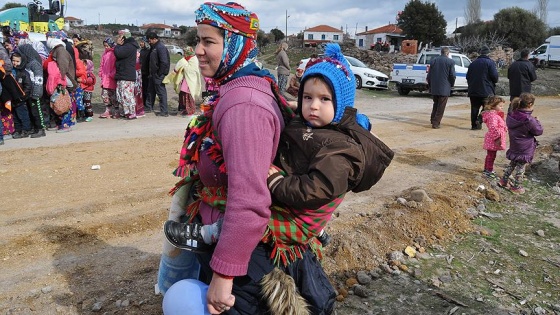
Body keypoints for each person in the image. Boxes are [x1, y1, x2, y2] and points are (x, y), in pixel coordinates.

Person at [160, 3, 338, 314]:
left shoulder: (245, 106)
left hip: (246, 262)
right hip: (238, 248)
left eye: (209, 41)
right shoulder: (241, 86)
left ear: (235, 44)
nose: (198, 50)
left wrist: (224, 274)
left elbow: (249, 199)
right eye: (198, 40)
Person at [164, 43, 394, 256]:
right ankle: (318, 229)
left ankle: (209, 234)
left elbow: (315, 191)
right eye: (307, 97)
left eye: (324, 99)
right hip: (294, 196)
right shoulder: (312, 123)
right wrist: (293, 106)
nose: (313, 106)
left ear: (342, 104)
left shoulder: (340, 148)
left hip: (299, 210)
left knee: (249, 217)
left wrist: (277, 184)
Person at [498, 93, 543, 194]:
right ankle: (516, 187)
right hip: (525, 147)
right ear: (530, 104)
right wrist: (538, 122)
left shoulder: (511, 114)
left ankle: (503, 181)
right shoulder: (529, 119)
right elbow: (538, 131)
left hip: (515, 144)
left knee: (513, 163)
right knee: (521, 167)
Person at [16, 43, 46, 137]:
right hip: (29, 92)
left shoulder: (34, 64)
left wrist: (37, 92)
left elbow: (39, 78)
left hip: (35, 92)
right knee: (32, 111)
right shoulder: (27, 64)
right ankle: (35, 128)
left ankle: (41, 129)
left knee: (37, 112)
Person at [466, 45, 499, 130]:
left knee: (474, 107)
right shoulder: (490, 63)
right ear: (488, 54)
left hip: (473, 90)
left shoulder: (473, 63)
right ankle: (479, 119)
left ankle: (474, 125)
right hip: (486, 90)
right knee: (487, 107)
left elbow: (468, 76)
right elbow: (495, 77)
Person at [426, 47, 456, 129]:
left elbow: (429, 76)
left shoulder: (434, 61)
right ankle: (436, 122)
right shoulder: (451, 62)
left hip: (435, 86)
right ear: (447, 53)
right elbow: (452, 75)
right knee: (441, 106)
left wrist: (430, 85)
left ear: (441, 52)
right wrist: (451, 84)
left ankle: (433, 119)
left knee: (435, 104)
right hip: (445, 87)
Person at [114, 29, 140, 120]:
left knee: (127, 94)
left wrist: (117, 45)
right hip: (123, 73)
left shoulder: (129, 46)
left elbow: (119, 53)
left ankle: (132, 112)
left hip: (127, 74)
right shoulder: (127, 46)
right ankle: (127, 112)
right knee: (121, 94)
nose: (118, 38)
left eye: (120, 36)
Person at [481, 96, 508, 179]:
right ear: (493, 106)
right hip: (493, 138)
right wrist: (497, 137)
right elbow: (493, 127)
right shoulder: (493, 116)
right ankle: (489, 170)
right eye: (500, 106)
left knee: (490, 155)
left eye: (502, 106)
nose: (502, 108)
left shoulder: (494, 115)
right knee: (491, 155)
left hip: (492, 137)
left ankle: (487, 169)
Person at [171, 46, 202, 117]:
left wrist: (184, 66)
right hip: (184, 79)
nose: (184, 53)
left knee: (188, 94)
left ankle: (190, 110)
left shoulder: (194, 60)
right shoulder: (185, 60)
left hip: (190, 80)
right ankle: (183, 109)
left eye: (185, 52)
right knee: (182, 94)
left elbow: (192, 70)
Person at [145, 31, 170, 116]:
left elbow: (164, 62)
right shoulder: (154, 47)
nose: (149, 42)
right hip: (153, 73)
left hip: (158, 74)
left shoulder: (160, 47)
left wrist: (159, 73)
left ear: (154, 39)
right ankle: (148, 107)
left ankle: (164, 111)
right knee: (150, 91)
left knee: (161, 92)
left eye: (150, 40)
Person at [10, 52, 32, 139]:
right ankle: (18, 129)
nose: (15, 63)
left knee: (23, 115)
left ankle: (26, 129)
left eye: (17, 61)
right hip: (13, 98)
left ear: (22, 62)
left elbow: (28, 86)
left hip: (21, 99)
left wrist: (22, 97)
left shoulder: (24, 73)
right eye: (13, 60)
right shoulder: (11, 71)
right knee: (15, 116)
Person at [98, 37, 117, 119]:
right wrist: (101, 73)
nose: (106, 47)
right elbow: (101, 64)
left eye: (107, 46)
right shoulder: (104, 54)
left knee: (113, 96)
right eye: (104, 46)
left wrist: (112, 74)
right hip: (105, 78)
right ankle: (108, 110)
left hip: (112, 78)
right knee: (104, 95)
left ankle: (116, 110)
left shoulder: (115, 53)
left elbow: (116, 65)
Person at [138, 36, 151, 112]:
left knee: (146, 89)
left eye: (142, 42)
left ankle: (146, 103)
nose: (141, 43)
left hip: (146, 73)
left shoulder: (149, 51)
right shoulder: (141, 51)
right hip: (141, 72)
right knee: (142, 89)